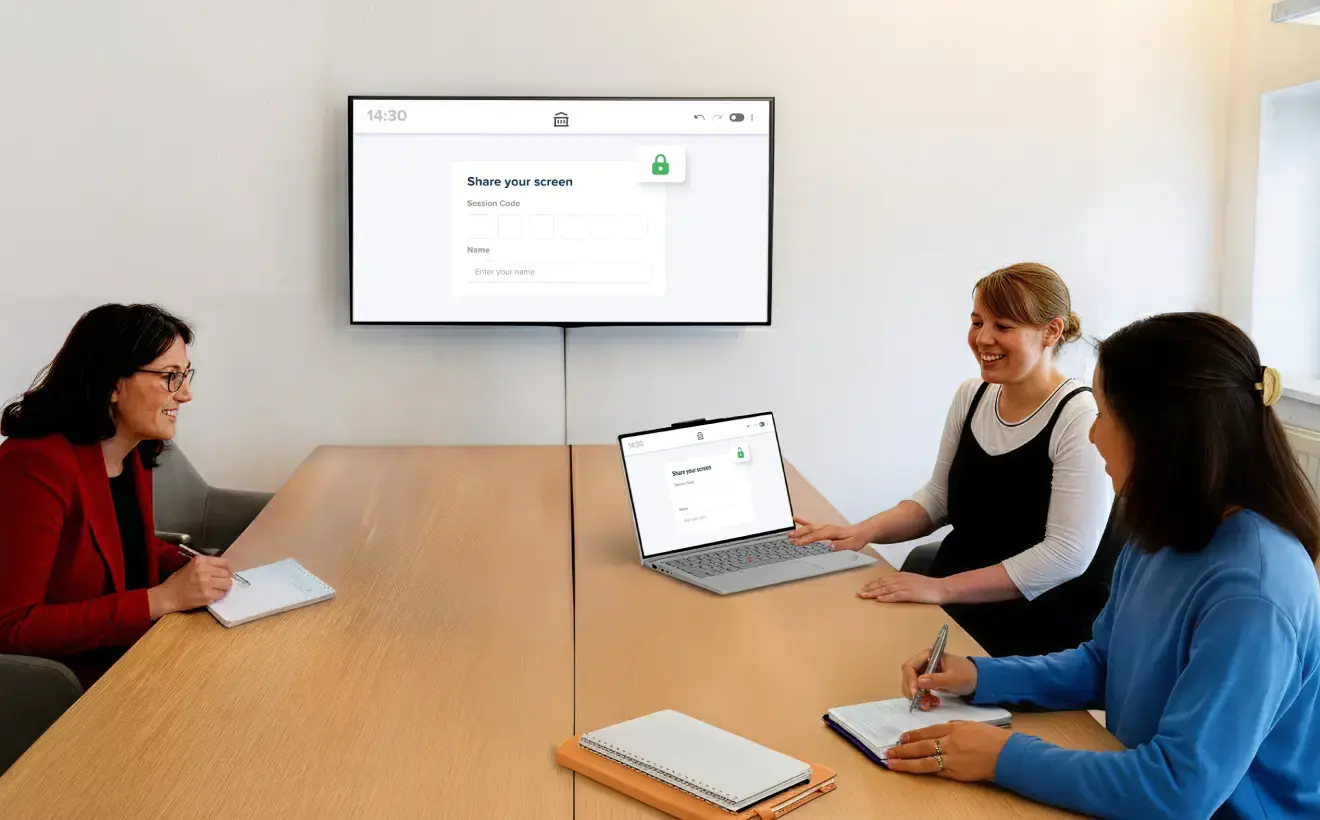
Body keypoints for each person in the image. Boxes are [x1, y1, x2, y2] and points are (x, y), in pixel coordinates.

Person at [885, 313, 1320, 818]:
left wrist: (1001, 756)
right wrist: (979, 677)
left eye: (1104, 413)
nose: (1093, 435)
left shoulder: (1254, 593)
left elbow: (1177, 790)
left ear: (1161, 434)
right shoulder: (1161, 531)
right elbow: (1103, 663)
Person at [791, 263, 1114, 657]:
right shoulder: (972, 395)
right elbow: (938, 499)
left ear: (1051, 331)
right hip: (952, 601)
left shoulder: (1077, 415)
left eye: (1003, 326)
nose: (983, 338)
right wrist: (863, 530)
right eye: (977, 322)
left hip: (1034, 625)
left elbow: (1065, 556)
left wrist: (939, 588)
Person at [0, 304, 234, 688]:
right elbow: (12, 625)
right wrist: (162, 599)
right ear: (113, 383)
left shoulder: (131, 451)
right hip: (64, 688)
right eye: (171, 377)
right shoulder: (33, 466)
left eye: (185, 375)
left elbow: (119, 549)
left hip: (133, 655)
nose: (186, 394)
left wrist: (191, 564)